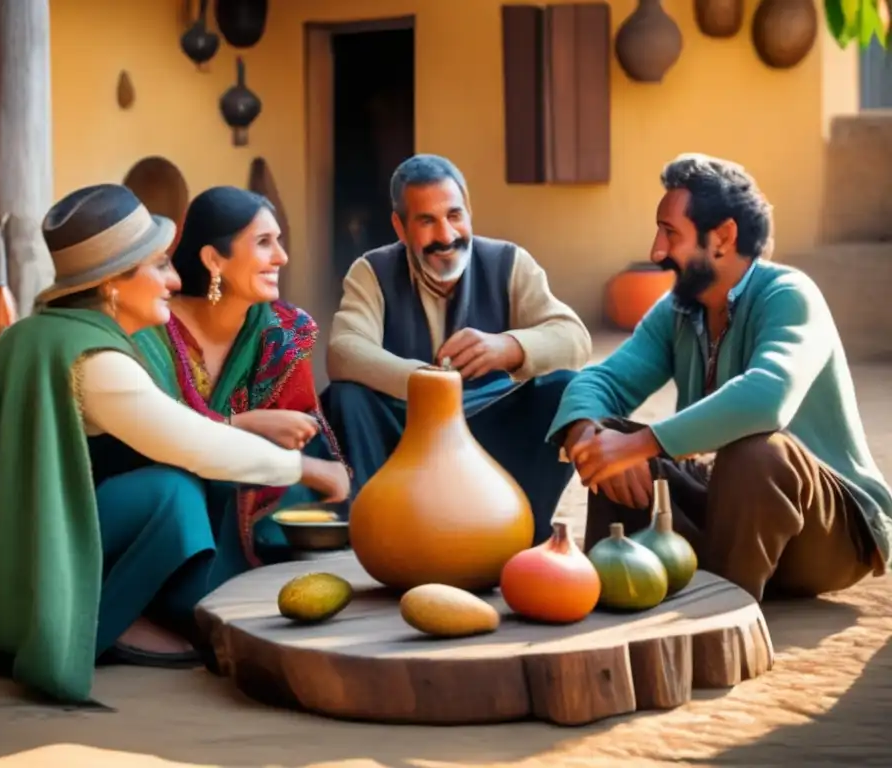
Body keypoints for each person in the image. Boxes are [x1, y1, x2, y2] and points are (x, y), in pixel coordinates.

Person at [0, 184, 349, 704]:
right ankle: (101, 623)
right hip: (27, 559)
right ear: (115, 284)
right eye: (159, 265)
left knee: (176, 495)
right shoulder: (95, 360)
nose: (172, 279)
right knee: (170, 493)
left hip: (15, 540)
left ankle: (134, 610)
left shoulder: (52, 333)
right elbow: (193, 443)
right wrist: (306, 470)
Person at [548, 153, 892, 602]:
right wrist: (588, 433)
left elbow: (768, 397)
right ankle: (622, 593)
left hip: (830, 534)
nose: (656, 251)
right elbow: (602, 381)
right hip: (730, 517)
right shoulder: (675, 312)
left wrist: (641, 444)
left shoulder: (789, 295)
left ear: (723, 237)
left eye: (670, 233)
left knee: (757, 451)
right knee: (611, 435)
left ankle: (720, 613)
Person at [89, 185, 348, 592]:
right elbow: (141, 442)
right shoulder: (149, 327)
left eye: (278, 242)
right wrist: (242, 424)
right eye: (264, 243)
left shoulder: (284, 331)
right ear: (214, 259)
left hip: (258, 494)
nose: (281, 257)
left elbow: (306, 437)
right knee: (184, 484)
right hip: (157, 498)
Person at [322, 154, 592, 544]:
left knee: (565, 389)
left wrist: (509, 347)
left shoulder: (508, 262)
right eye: (427, 221)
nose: (447, 235)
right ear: (400, 227)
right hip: (405, 432)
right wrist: (425, 381)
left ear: (470, 211)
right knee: (348, 397)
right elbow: (344, 350)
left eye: (454, 215)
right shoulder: (372, 271)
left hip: (489, 427)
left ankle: (519, 536)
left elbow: (575, 339)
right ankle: (380, 537)